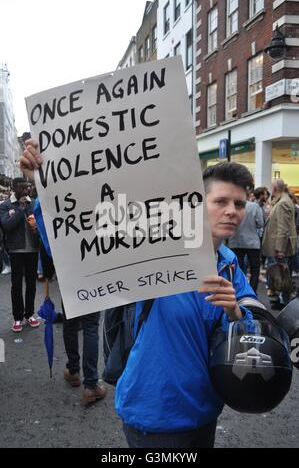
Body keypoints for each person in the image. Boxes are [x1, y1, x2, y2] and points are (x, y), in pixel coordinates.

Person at [21, 143, 260, 447]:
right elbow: (74, 251)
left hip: (206, 411)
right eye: (222, 201)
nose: (232, 211)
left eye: (239, 204)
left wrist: (235, 314)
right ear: (198, 202)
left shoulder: (229, 264)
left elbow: (252, 333)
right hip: (154, 417)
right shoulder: (154, 248)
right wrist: (42, 185)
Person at [20, 149, 107, 405]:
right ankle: (91, 382)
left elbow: (47, 241)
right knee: (90, 324)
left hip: (69, 268)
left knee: (72, 321)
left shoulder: (46, 202)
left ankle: (74, 371)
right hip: (95, 264)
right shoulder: (96, 192)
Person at [0, 178, 40, 332]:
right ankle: (17, 317)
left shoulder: (34, 203)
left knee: (31, 284)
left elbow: (41, 223)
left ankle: (29, 314)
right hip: (16, 250)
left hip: (32, 249)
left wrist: (37, 228)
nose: (25, 191)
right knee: (16, 285)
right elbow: (7, 225)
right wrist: (20, 210)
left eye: (27, 188)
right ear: (14, 188)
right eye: (22, 188)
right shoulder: (6, 206)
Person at [262, 179, 297, 304]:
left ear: (275, 189)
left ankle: (284, 300)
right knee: (280, 273)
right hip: (279, 245)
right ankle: (282, 298)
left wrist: (280, 248)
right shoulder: (282, 201)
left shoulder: (283, 203)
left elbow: (283, 228)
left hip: (280, 247)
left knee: (281, 274)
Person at [228, 196, 264, 293]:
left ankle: (239, 291)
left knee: (237, 269)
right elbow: (260, 223)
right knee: (255, 269)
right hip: (252, 242)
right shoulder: (254, 206)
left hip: (235, 241)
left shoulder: (232, 206)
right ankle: (252, 292)